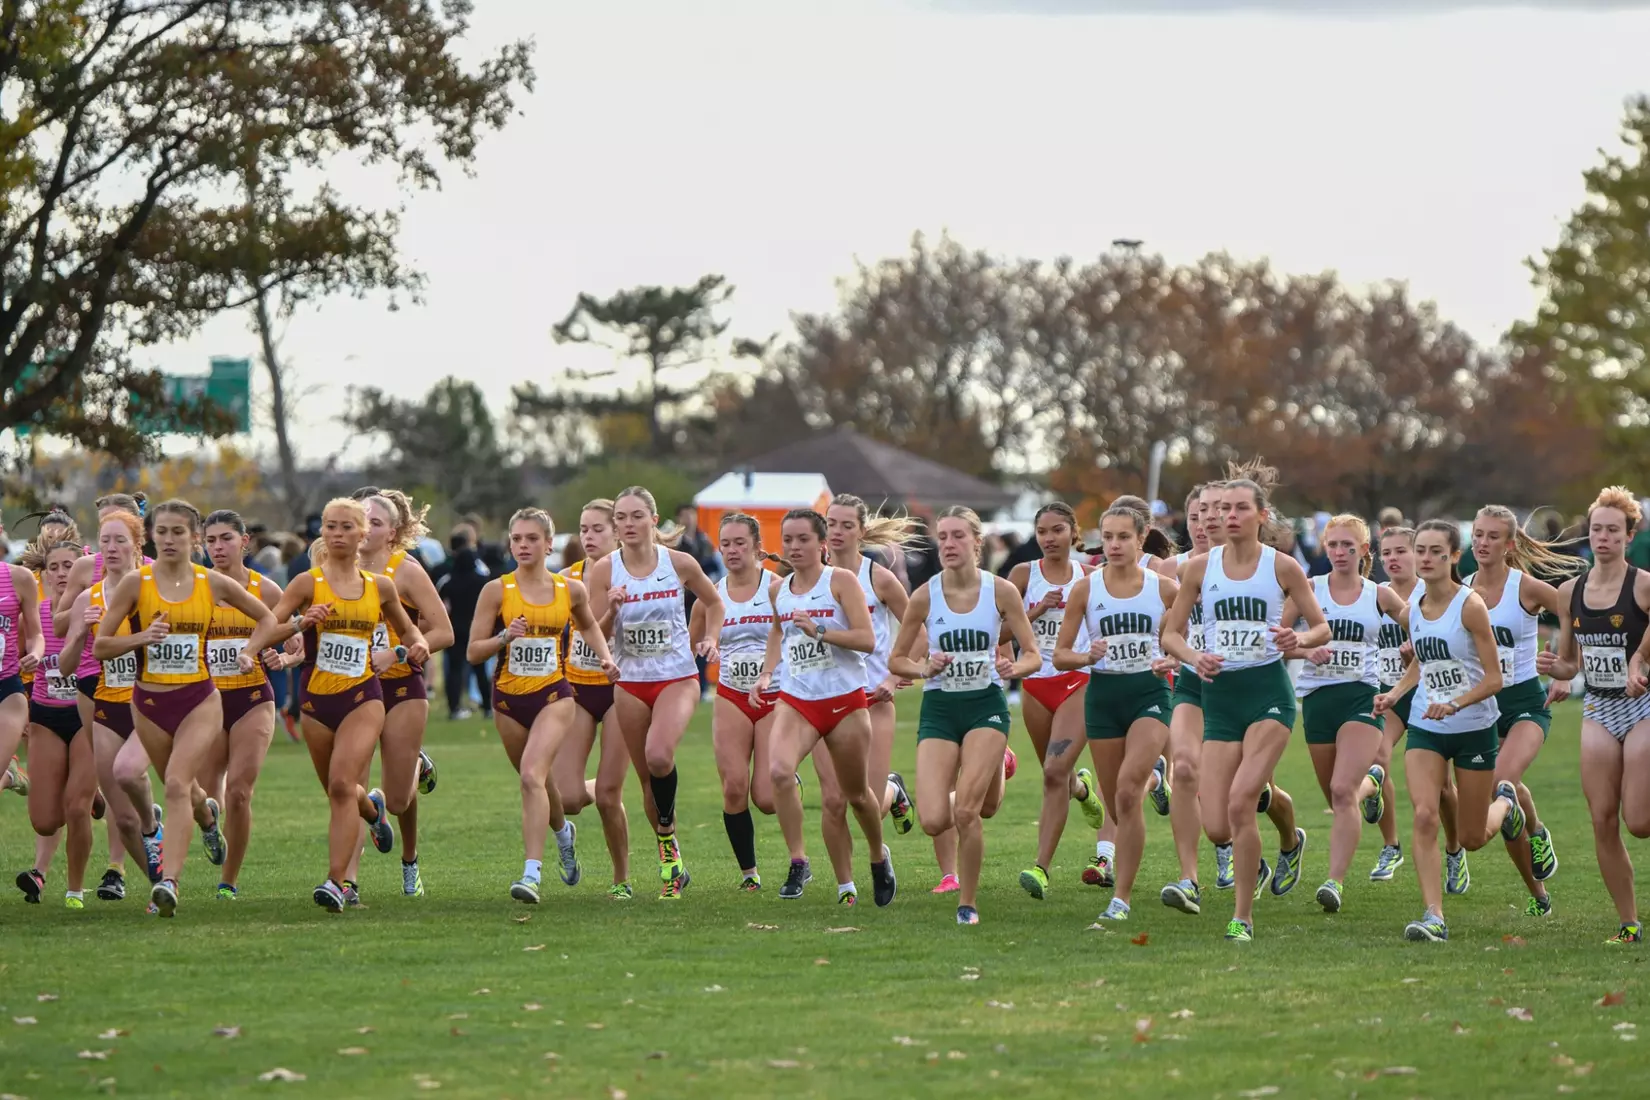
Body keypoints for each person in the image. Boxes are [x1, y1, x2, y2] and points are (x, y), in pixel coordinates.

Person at [1159, 465, 1329, 942]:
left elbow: (1320, 628)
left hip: (1267, 695)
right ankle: (1285, 843)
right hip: (1219, 697)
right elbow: (1171, 633)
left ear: (1261, 515)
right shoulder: (1198, 569)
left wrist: (1293, 636)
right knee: (1216, 825)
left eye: (1239, 508)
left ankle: (1242, 917)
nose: (1228, 516)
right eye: (1223, 508)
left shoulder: (1281, 566)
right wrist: (1195, 657)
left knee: (1239, 803)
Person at [94, 499, 274, 917]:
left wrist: (250, 650)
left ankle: (167, 883)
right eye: (162, 531)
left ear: (194, 538)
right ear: (152, 537)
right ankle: (207, 816)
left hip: (199, 700)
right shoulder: (136, 584)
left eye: (179, 532)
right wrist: (141, 639)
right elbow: (102, 646)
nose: (170, 539)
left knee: (175, 783)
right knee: (186, 789)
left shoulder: (213, 583)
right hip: (149, 703)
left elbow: (267, 619)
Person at [245, 498, 426, 913]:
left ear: (362, 535)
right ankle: (373, 810)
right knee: (338, 792)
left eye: (346, 527)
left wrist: (402, 654)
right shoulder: (307, 584)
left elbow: (412, 634)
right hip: (316, 701)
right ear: (321, 533)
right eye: (330, 527)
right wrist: (296, 626)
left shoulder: (380, 587)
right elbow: (271, 628)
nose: (337, 534)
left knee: (343, 784)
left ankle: (338, 882)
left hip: (363, 697)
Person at [887, 506, 1042, 925]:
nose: (949, 545)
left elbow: (1032, 653)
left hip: (985, 705)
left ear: (978, 542)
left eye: (958, 536)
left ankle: (967, 904)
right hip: (940, 708)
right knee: (934, 819)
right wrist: (923, 669)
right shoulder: (925, 595)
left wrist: (1015, 669)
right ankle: (999, 764)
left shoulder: (1001, 592)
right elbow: (897, 659)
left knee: (968, 813)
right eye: (943, 537)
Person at [467, 508, 619, 903]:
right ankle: (563, 833)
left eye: (531, 538)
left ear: (548, 544)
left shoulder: (570, 590)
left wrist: (605, 658)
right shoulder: (496, 591)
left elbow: (588, 625)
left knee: (531, 777)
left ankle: (531, 874)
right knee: (541, 782)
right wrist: (504, 637)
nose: (522, 545)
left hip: (555, 696)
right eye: (516, 539)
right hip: (508, 700)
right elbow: (472, 653)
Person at [1373, 520, 1511, 942]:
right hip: (1426, 727)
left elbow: (1494, 679)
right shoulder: (1413, 609)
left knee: (1471, 837)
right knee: (1424, 815)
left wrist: (1454, 702)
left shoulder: (1470, 606)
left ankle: (1506, 804)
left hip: (1472, 726)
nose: (1426, 558)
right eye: (1421, 550)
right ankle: (1434, 914)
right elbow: (1423, 663)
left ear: (1454, 557)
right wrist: (1396, 693)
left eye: (1436, 551)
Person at [585, 485, 724, 900]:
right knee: (648, 779)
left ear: (652, 518)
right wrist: (611, 607)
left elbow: (714, 604)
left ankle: (665, 834)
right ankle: (671, 861)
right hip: (630, 682)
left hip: (677, 677)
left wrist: (712, 639)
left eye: (635, 516)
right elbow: (596, 630)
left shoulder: (678, 562)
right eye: (621, 519)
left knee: (659, 755)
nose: (627, 525)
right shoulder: (605, 570)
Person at [755, 508, 897, 907]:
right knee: (779, 771)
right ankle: (799, 860)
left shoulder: (842, 581)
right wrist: (767, 674)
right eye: (789, 540)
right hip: (797, 700)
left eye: (803, 539)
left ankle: (876, 855)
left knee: (855, 795)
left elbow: (867, 641)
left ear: (821, 544)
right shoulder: (777, 589)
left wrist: (820, 631)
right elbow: (778, 633)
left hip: (845, 703)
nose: (795, 547)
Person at [1054, 504, 1177, 922]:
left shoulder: (1163, 588)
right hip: (1104, 696)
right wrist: (1086, 655)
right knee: (1119, 803)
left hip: (1150, 694)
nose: (1114, 544)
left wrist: (1172, 659)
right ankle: (1155, 776)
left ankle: (1121, 897)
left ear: (1141, 539)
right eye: (1107, 537)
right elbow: (1060, 654)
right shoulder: (1086, 589)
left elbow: (1187, 637)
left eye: (1124, 536)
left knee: (1127, 789)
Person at [1281, 515, 1409, 914]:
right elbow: (1277, 643)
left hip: (1363, 699)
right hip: (1318, 701)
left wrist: (1412, 646)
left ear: (1363, 550)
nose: (1339, 553)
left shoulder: (1379, 595)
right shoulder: (1310, 589)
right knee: (1338, 800)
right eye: (1333, 545)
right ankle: (1372, 792)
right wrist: (1304, 649)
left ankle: (1334, 882)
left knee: (1341, 790)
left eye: (1347, 546)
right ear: (1324, 547)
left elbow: (1424, 627)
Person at [1539, 488, 1650, 944]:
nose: (1603, 537)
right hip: (1600, 708)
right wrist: (1555, 669)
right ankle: (1628, 925)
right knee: (1603, 818)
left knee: (1640, 821)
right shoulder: (1571, 592)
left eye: (1613, 530)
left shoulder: (1643, 584)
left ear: (1629, 535)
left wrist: (1639, 660)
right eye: (1597, 529)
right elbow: (1572, 661)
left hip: (1643, 706)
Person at [1468, 504, 1577, 917]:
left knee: (1502, 783)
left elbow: (1571, 610)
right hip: (1482, 710)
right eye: (1478, 534)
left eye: (1492, 536)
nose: (1482, 542)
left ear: (1509, 544)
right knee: (1506, 796)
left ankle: (1536, 831)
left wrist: (1566, 668)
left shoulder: (1525, 587)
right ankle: (1539, 893)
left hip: (1526, 705)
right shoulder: (1462, 589)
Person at [820, 495, 926, 883]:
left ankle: (893, 793)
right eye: (832, 523)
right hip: (826, 702)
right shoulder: (815, 578)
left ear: (862, 531)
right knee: (833, 800)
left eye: (847, 525)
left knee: (863, 799)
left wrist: (894, 679)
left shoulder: (878, 578)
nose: (837, 532)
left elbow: (920, 636)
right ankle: (847, 887)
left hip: (873, 701)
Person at [357, 489, 454, 898]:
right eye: (357, 520)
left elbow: (443, 631)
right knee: (347, 787)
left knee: (397, 800)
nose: (363, 529)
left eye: (373, 522)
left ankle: (409, 859)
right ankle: (346, 882)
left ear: (391, 531)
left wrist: (402, 649)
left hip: (399, 686)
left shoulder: (406, 570)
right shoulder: (329, 566)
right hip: (350, 688)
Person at [1009, 502, 1106, 900]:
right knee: (1058, 777)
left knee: (1052, 772)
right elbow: (997, 634)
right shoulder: (1021, 575)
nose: (1049, 538)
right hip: (1034, 682)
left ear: (1073, 533)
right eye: (1042, 531)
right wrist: (1034, 611)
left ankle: (1040, 868)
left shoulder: (1090, 577)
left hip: (1078, 680)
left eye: (1057, 530)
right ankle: (1082, 790)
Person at [201, 510, 300, 899]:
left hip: (253, 698)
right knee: (209, 798)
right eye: (210, 540)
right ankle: (211, 829)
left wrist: (284, 659)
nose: (218, 547)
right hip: (205, 702)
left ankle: (228, 881)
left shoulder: (266, 591)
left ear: (245, 542)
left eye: (226, 538)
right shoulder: (193, 590)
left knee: (239, 791)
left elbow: (297, 644)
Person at [697, 513, 781, 889]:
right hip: (730, 694)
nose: (731, 550)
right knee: (733, 786)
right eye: (725, 543)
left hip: (776, 695)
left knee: (766, 797)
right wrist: (705, 646)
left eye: (739, 543)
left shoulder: (778, 588)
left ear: (757, 547)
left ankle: (787, 778)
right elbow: (690, 646)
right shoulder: (711, 595)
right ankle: (749, 874)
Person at [559, 500, 634, 899]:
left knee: (608, 796)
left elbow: (607, 637)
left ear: (617, 532)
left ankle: (621, 879)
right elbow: (585, 633)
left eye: (597, 529)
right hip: (577, 687)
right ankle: (600, 785)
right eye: (584, 529)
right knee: (569, 798)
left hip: (621, 690)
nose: (588, 537)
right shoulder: (567, 579)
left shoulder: (633, 576)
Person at [22, 542, 97, 909]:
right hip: (46, 716)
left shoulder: (95, 611)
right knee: (44, 822)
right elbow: (15, 662)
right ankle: (97, 791)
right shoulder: (33, 614)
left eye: (70, 565)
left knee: (76, 807)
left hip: (87, 715)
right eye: (55, 567)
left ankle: (74, 890)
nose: (63, 572)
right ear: (45, 573)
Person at [438, 525, 492, 720]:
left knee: (454, 670)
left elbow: (442, 605)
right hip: (476, 628)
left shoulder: (448, 581)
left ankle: (454, 708)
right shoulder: (482, 581)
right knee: (480, 670)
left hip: (455, 629)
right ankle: (487, 706)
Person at [674, 504, 722, 696]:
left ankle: (701, 685)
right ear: (679, 519)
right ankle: (681, 682)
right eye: (685, 516)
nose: (689, 519)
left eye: (692, 515)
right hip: (683, 603)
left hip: (703, 598)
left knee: (704, 643)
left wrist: (710, 579)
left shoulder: (704, 540)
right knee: (684, 642)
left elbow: (713, 565)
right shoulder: (676, 543)